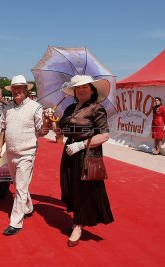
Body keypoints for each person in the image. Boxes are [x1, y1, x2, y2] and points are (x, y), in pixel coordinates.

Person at [49, 75, 114, 247]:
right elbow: (59, 132)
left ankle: (78, 224)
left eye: (85, 87)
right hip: (69, 151)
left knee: (84, 190)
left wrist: (81, 145)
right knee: (70, 187)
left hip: (87, 153)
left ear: (92, 90)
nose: (82, 90)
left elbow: (105, 135)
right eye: (78, 88)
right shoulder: (70, 108)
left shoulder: (96, 108)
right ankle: (78, 217)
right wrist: (52, 119)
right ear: (74, 91)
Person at [0, 74, 51, 236]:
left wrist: (47, 121)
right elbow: (3, 129)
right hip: (10, 152)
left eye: (20, 88)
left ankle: (16, 222)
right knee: (19, 185)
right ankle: (28, 207)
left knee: (20, 187)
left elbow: (42, 133)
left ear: (26, 90)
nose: (16, 91)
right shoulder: (7, 108)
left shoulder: (36, 107)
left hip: (27, 153)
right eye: (14, 88)